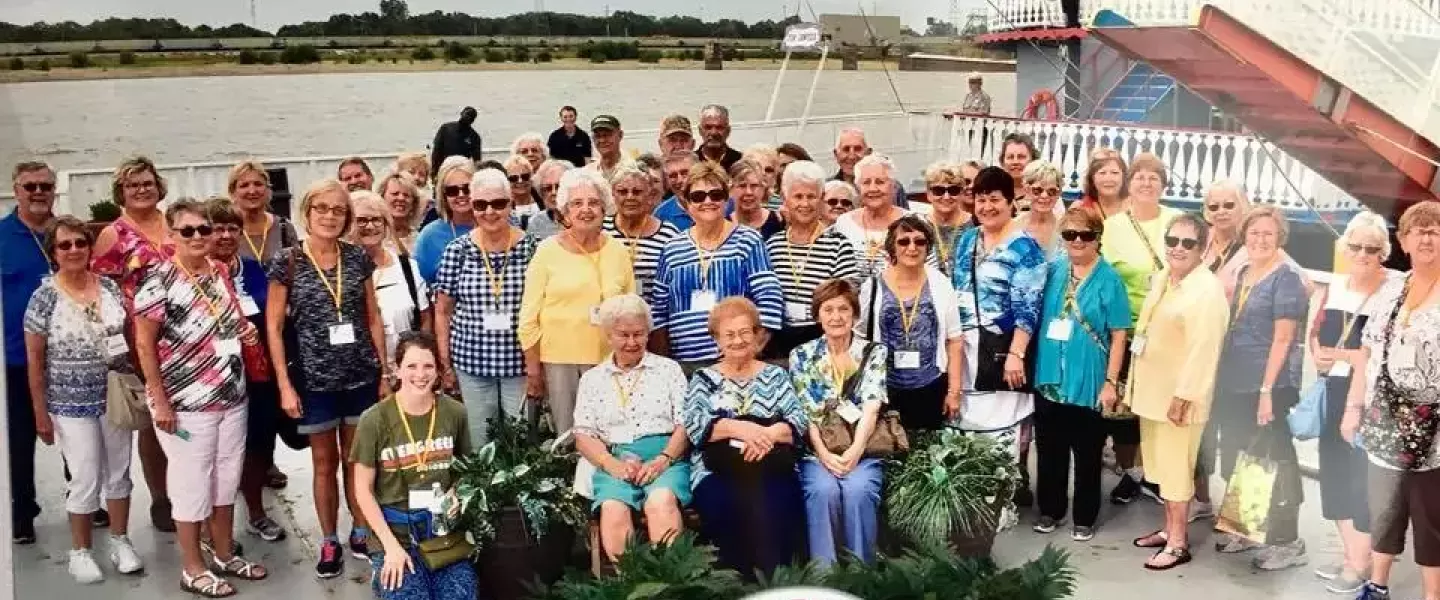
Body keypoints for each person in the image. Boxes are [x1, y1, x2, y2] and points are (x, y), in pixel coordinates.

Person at [134, 199, 269, 597]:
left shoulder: (221, 272)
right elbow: (144, 343)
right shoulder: (157, 280)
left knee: (226, 478)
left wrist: (247, 332)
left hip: (231, 394)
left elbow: (229, 320)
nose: (198, 237)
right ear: (172, 235)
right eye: (187, 231)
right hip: (185, 401)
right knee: (191, 483)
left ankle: (223, 553)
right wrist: (159, 399)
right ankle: (192, 567)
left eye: (203, 230)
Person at [265, 179, 388, 577]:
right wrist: (284, 385)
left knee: (358, 461)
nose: (330, 216)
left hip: (360, 377)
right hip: (315, 381)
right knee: (323, 462)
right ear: (307, 212)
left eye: (338, 210)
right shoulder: (288, 261)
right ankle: (329, 539)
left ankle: (360, 529)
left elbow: (372, 316)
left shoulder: (357, 260)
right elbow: (273, 327)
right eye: (323, 208)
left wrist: (384, 371)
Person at [23, 216, 143, 582]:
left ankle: (120, 540)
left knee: (119, 471)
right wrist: (40, 413)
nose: (74, 250)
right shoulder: (43, 297)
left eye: (80, 242)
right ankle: (81, 550)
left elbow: (127, 338)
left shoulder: (108, 287)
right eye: (65, 245)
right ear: (53, 253)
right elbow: (35, 362)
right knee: (85, 474)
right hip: (70, 404)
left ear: (90, 247)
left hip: (114, 397)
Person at [1342, 201, 1440, 600]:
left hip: (1434, 429)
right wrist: (1353, 407)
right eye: (1418, 230)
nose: (1427, 236)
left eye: (1435, 229)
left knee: (1431, 516)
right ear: (1403, 240)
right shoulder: (1394, 289)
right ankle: (1377, 584)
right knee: (1385, 508)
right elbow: (1366, 351)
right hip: (1385, 420)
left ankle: (1432, 595)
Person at [1127, 212, 1229, 571]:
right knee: (1161, 469)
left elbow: (1205, 350)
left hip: (1178, 399)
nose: (1178, 248)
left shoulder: (1206, 290)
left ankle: (1179, 543)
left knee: (1176, 472)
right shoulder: (1165, 279)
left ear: (1203, 249)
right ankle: (1170, 530)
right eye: (1172, 241)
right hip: (1154, 394)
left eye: (1188, 243)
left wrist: (1184, 396)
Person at [1211, 206, 1310, 569]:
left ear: (1279, 238)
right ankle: (1246, 529)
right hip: (1236, 383)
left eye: (1268, 233)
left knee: (1276, 462)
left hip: (1268, 386)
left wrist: (1267, 391)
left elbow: (1283, 339)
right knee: (1244, 459)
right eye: (1254, 233)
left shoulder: (1285, 279)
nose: (1260, 239)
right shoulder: (1245, 273)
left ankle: (1288, 542)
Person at [685, 297, 808, 578]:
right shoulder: (703, 378)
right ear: (717, 339)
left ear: (756, 335)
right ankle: (731, 585)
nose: (738, 341)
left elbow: (798, 421)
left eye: (744, 332)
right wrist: (740, 429)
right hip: (717, 469)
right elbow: (694, 427)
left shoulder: (776, 376)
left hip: (771, 464)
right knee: (723, 503)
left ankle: (777, 584)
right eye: (729, 334)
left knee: (776, 501)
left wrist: (765, 434)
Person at [350, 332, 478, 600]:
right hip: (395, 533)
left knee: (462, 595)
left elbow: (467, 471)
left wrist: (457, 491)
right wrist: (391, 548)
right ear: (396, 369)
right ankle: (380, 572)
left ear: (438, 370)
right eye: (411, 366)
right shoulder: (373, 420)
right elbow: (362, 489)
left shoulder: (455, 412)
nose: (420, 374)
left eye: (428, 366)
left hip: (443, 533)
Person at [1031, 208, 1131, 542]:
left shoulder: (1109, 279)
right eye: (1070, 234)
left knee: (1087, 455)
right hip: (1049, 376)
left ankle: (1085, 516)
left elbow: (1119, 333)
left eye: (1085, 235)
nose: (1077, 241)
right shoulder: (1054, 270)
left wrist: (1111, 381)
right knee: (1049, 451)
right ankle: (1050, 509)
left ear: (1097, 239)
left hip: (1088, 379)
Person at [1308, 212, 1392, 594]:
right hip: (1333, 390)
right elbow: (1316, 336)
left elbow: (1380, 354)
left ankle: (1361, 563)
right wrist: (1318, 355)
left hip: (1371, 399)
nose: (1362, 254)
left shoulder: (1394, 292)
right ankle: (1351, 556)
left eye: (1371, 248)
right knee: (1335, 475)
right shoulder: (1334, 288)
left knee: (1362, 481)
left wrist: (1343, 358)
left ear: (1384, 253)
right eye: (1355, 246)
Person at [92, 156, 176, 533]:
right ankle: (161, 497)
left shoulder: (176, 223)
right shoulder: (114, 234)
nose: (142, 189)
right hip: (139, 339)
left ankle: (190, 490)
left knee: (190, 415)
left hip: (187, 337)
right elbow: (102, 292)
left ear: (158, 185)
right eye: (132, 185)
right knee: (154, 421)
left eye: (147, 182)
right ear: (121, 193)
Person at [573, 295, 691, 561]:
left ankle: (668, 583)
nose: (631, 342)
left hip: (665, 456)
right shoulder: (592, 379)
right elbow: (583, 434)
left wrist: (663, 460)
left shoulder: (668, 370)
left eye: (639, 334)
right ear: (608, 336)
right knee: (614, 508)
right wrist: (611, 463)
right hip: (614, 458)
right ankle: (630, 586)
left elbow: (686, 423)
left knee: (660, 502)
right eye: (623, 335)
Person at [518, 168, 636, 434]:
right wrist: (534, 369)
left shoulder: (618, 251)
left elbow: (631, 311)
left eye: (593, 202)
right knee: (568, 436)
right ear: (565, 211)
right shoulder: (547, 251)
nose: (586, 210)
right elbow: (528, 319)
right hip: (560, 363)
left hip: (610, 361)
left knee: (610, 433)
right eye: (577, 203)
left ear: (604, 207)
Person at [1100, 152, 1183, 504]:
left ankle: (1158, 474)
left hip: (1168, 331)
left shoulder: (1177, 221)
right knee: (1123, 408)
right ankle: (1132, 473)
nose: (1146, 183)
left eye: (1154, 177)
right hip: (1126, 329)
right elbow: (1103, 274)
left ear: (1163, 185)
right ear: (1128, 184)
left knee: (1159, 405)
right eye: (1139, 177)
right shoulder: (1114, 225)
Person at [952, 166, 1046, 475]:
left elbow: (1028, 309)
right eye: (981, 199)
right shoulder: (967, 239)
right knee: (967, 425)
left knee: (1001, 428)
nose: (987, 207)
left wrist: (1016, 355)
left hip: (1001, 349)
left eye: (995, 199)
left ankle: (1001, 496)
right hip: (964, 348)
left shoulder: (1025, 248)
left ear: (1010, 203)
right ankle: (973, 493)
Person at [433, 168, 538, 444]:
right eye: (481, 204)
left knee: (521, 445)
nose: (490, 212)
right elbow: (443, 311)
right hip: (472, 364)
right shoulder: (457, 251)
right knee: (482, 446)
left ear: (510, 203)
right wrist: (446, 365)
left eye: (498, 203)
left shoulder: (532, 249)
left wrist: (538, 367)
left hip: (519, 365)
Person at [206, 200, 290, 545]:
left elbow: (277, 322)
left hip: (258, 376)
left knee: (256, 446)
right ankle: (212, 529)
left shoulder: (256, 270)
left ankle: (256, 513)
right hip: (211, 379)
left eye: (232, 228)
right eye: (217, 228)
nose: (225, 235)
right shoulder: (195, 274)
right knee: (216, 453)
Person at [649, 163, 784, 372]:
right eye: (698, 196)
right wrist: (668, 366)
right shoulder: (671, 248)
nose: (708, 201)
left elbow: (769, 300)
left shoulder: (748, 241)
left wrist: (748, 351)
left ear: (726, 197)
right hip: (684, 364)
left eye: (715, 194)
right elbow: (659, 311)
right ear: (686, 202)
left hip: (736, 363)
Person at [789, 279, 887, 566]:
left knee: (859, 490)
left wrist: (855, 451)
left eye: (843, 309)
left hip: (863, 447)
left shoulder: (874, 352)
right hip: (817, 450)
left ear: (855, 314)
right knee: (823, 490)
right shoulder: (802, 355)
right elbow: (806, 413)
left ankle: (860, 574)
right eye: (828, 309)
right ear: (817, 315)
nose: (836, 316)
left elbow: (872, 406)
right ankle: (825, 576)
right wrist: (824, 454)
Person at [857, 215, 965, 432]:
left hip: (931, 385)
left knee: (928, 454)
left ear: (928, 247)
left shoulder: (941, 284)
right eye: (904, 241)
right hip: (885, 388)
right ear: (892, 247)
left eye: (920, 241)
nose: (912, 247)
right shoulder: (873, 286)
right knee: (889, 452)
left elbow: (954, 340)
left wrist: (954, 392)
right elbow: (860, 338)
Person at [3, 161, 60, 543]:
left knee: (80, 433)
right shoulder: (2, 235)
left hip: (70, 356)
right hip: (16, 357)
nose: (38, 192)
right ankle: (22, 512)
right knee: (19, 439)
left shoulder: (66, 233)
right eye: (30, 186)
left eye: (45, 185)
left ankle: (86, 501)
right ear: (16, 190)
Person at [764, 161, 860, 361]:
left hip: (822, 340)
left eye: (811, 196)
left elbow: (847, 299)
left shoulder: (838, 245)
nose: (805, 204)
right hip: (778, 342)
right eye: (798, 196)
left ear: (822, 199)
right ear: (785, 199)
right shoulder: (772, 245)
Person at [348, 191, 432, 358]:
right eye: (362, 221)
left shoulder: (408, 267)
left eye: (377, 220)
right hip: (359, 369)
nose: (370, 226)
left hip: (404, 368)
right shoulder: (342, 271)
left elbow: (425, 319)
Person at [603, 165, 682, 300]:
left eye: (637, 192)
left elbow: (676, 283)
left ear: (649, 195)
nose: (630, 197)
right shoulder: (602, 230)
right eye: (622, 192)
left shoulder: (669, 234)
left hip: (652, 317)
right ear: (613, 195)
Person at [830, 155, 915, 279]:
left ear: (893, 187)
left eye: (880, 182)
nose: (873, 188)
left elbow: (928, 272)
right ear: (858, 187)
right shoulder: (844, 223)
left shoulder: (913, 223)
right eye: (866, 182)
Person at [413, 161, 479, 282]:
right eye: (452, 191)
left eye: (467, 188)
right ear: (443, 195)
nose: (461, 194)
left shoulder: (492, 226)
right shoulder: (430, 235)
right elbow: (419, 283)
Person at [228, 161, 300, 264]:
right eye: (244, 185)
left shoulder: (284, 228)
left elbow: (297, 271)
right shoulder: (225, 232)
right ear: (233, 193)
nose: (252, 191)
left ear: (268, 190)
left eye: (258, 184)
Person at [921, 160, 975, 278]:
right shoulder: (918, 226)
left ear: (961, 192)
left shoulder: (975, 224)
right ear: (928, 194)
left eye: (953, 191)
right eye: (938, 191)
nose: (946, 197)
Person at [831, 129, 908, 208]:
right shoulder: (827, 189)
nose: (852, 156)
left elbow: (906, 218)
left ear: (868, 153)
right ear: (836, 154)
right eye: (846, 149)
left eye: (857, 149)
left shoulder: (892, 187)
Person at [1016, 160, 1065, 258]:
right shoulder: (1014, 227)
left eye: (1051, 191)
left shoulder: (1066, 228)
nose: (1044, 196)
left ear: (1059, 193)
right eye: (1037, 190)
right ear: (1027, 190)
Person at [729, 160, 784, 239]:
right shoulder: (723, 226)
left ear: (763, 188)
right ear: (731, 190)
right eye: (742, 186)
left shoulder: (778, 222)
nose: (748, 192)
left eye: (754, 186)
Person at [375, 171, 424, 255]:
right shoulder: (373, 237)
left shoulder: (420, 238)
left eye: (406, 195)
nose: (401, 198)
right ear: (381, 198)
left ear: (413, 203)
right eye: (395, 194)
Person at [430, 106, 484, 176]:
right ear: (461, 113)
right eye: (467, 114)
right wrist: (434, 170)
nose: (468, 117)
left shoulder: (475, 137)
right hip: (443, 168)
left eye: (471, 116)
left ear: (473, 120)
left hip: (461, 170)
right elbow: (436, 150)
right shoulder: (446, 128)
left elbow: (477, 161)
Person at [654, 152, 701, 230]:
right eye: (673, 176)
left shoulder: (717, 205)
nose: (679, 180)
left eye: (685, 173)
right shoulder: (661, 214)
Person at [526, 159, 572, 239]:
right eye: (548, 188)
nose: (553, 192)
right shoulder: (536, 222)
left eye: (559, 186)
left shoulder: (583, 216)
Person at [1075, 154, 1128, 221]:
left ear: (1124, 177)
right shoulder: (1079, 209)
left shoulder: (1136, 207)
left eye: (1115, 172)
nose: (1108, 178)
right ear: (1092, 178)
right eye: (1102, 173)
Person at [695, 104, 743, 170]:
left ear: (728, 131)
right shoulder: (692, 162)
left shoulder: (740, 162)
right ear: (700, 131)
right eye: (708, 127)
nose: (714, 132)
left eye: (719, 127)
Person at [999, 134, 1040, 206]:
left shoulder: (1045, 191)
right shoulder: (993, 190)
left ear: (1033, 160)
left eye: (1021, 157)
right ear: (1003, 161)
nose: (1015, 162)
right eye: (1010, 157)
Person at [587, 115, 632, 181]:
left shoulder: (632, 170)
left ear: (620, 135)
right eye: (597, 136)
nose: (602, 140)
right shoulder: (589, 172)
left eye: (607, 135)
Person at [741, 144, 783, 210]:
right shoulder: (735, 202)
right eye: (758, 168)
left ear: (775, 175)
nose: (763, 173)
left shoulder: (784, 206)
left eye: (769, 170)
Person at [503, 154, 541, 222]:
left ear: (531, 177)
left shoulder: (543, 200)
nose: (520, 181)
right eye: (513, 178)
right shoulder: (502, 206)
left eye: (525, 176)